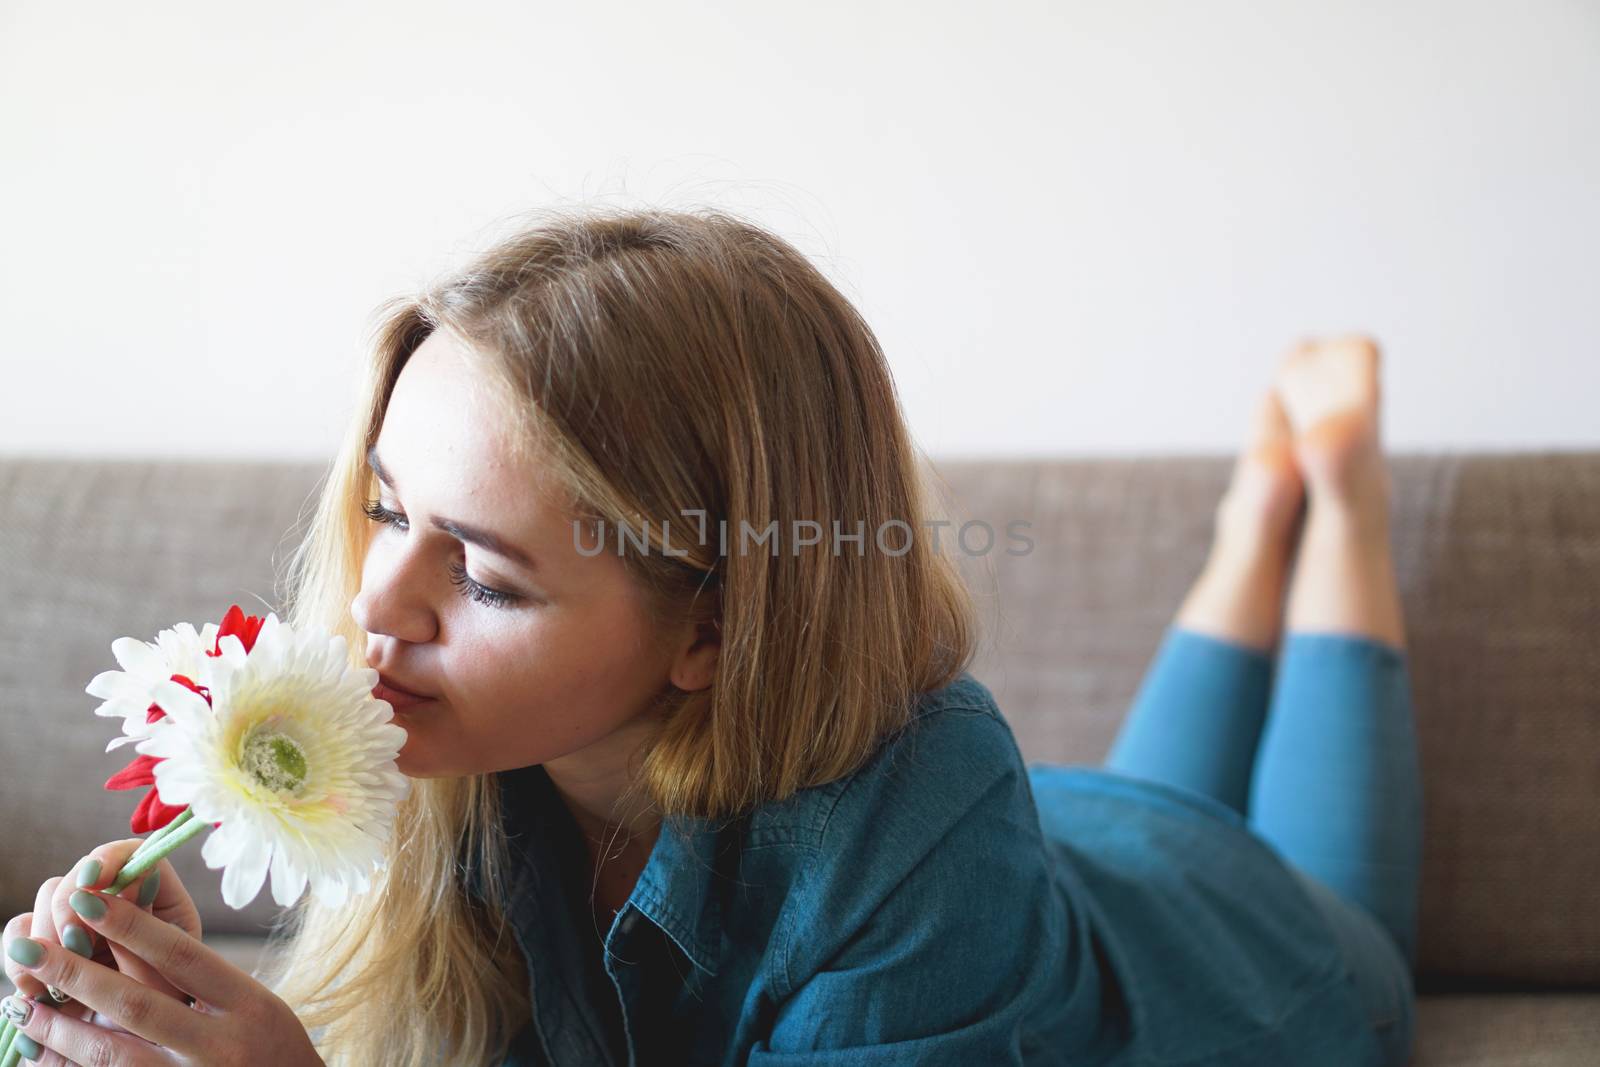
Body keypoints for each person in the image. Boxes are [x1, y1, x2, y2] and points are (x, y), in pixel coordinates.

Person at [1, 207, 1420, 1067]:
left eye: (486, 579)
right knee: (1158, 767)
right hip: (1071, 836)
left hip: (1245, 955)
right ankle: (1253, 524)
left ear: (712, 630)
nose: (374, 610)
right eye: (385, 511)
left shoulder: (921, 824)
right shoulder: (459, 758)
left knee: (1337, 906)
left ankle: (1335, 498)